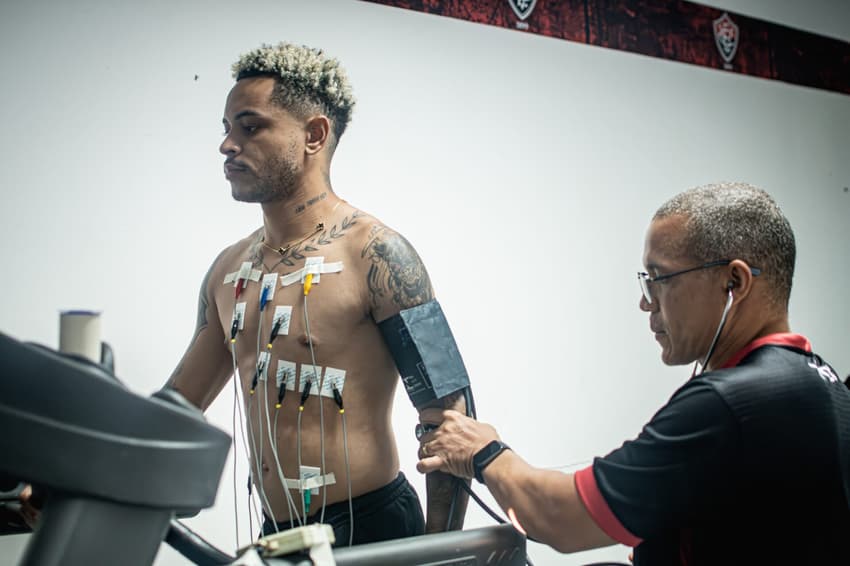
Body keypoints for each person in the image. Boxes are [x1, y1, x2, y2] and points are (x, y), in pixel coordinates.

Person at [417, 182, 850, 565]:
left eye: (660, 279)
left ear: (733, 283)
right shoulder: (821, 382)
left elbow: (562, 520)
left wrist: (484, 452)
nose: (646, 303)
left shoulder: (729, 403)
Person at [164, 42, 467, 546]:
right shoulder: (228, 270)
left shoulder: (378, 255)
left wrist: (438, 554)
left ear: (314, 134)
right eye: (225, 129)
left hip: (372, 530)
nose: (227, 145)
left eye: (250, 125)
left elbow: (449, 415)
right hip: (276, 535)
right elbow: (178, 406)